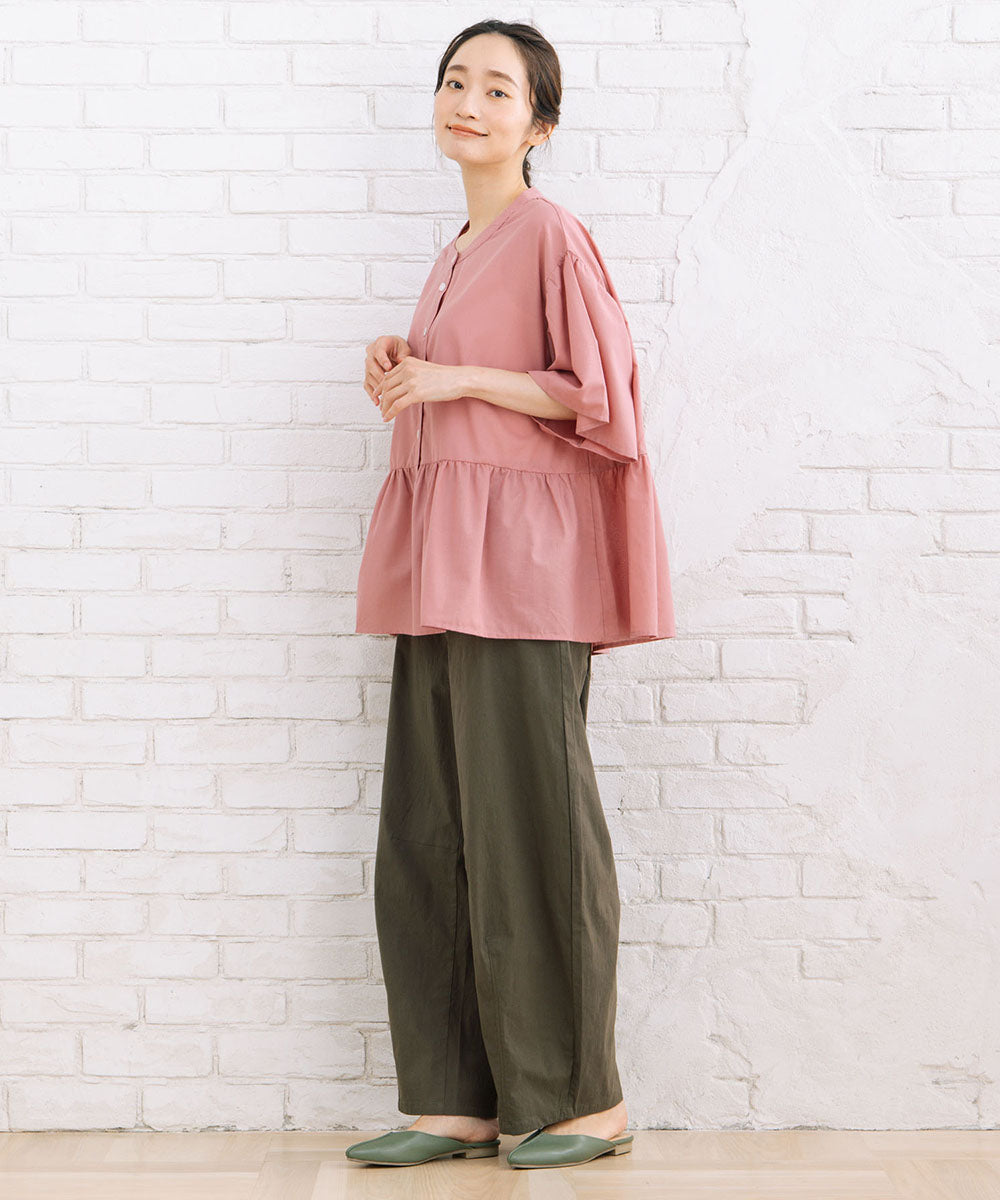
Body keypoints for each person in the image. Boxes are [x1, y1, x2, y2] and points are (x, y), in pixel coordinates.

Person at [348, 18, 675, 1171]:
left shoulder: (548, 232)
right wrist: (409, 366)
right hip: (444, 566)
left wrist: (458, 378)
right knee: (430, 825)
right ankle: (456, 1096)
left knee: (531, 825)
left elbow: (597, 392)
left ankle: (581, 1100)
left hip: (525, 575)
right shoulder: (456, 248)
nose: (467, 101)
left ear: (539, 122)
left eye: (496, 88)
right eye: (455, 81)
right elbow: (473, 396)